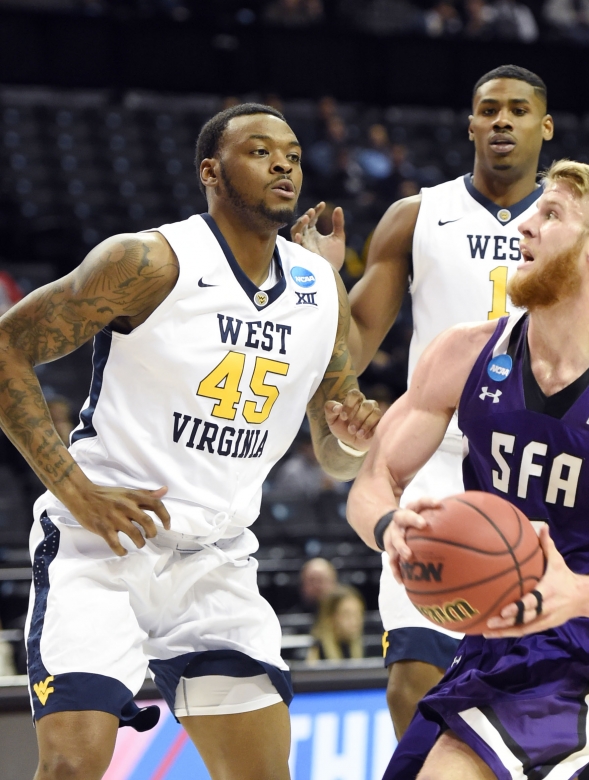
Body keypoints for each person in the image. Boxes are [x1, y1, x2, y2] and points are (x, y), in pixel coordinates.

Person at [291, 64, 589, 737]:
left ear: (545, 126)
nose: (503, 120)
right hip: (442, 455)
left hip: (548, 466)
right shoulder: (418, 215)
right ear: (469, 124)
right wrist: (325, 280)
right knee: (415, 682)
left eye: (519, 110)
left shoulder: (582, 229)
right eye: (490, 109)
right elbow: (354, 337)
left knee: (536, 687)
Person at [0, 102, 381, 780]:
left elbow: (333, 453)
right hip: (104, 546)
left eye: (291, 151)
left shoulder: (322, 287)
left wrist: (353, 440)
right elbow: (6, 347)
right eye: (260, 150)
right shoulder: (145, 261)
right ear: (211, 170)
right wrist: (75, 491)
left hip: (216, 559)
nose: (284, 162)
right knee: (69, 767)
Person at [347, 159, 589, 780]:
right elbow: (373, 481)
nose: (523, 225)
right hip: (487, 642)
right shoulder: (465, 351)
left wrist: (577, 594)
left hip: (588, 652)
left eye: (550, 215)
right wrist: (390, 525)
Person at [307, 584, 366, 661]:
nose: (355, 621)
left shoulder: (365, 649)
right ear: (330, 618)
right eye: (347, 615)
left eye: (358, 614)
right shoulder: (317, 651)